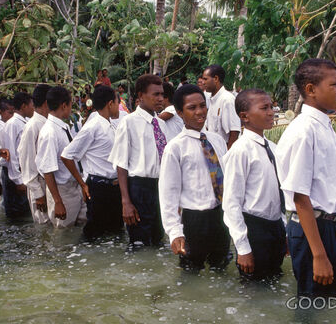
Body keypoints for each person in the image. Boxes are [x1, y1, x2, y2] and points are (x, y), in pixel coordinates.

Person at [275, 58, 336, 298]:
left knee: (329, 297)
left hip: (332, 226)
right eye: (334, 84)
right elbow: (300, 198)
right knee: (313, 301)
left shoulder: (322, 124)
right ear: (311, 90)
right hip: (317, 229)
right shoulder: (304, 130)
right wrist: (319, 255)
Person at [159, 85, 231, 272]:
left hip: (220, 216)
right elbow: (168, 193)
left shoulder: (217, 141)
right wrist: (174, 232)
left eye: (202, 106)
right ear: (179, 112)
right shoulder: (175, 148)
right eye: (192, 108)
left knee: (221, 267)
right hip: (193, 220)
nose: (199, 112)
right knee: (191, 271)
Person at [222, 89, 286, 280]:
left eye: (271, 107)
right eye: (264, 108)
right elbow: (232, 203)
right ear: (245, 116)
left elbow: (278, 194)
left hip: (275, 226)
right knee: (254, 285)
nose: (271, 112)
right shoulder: (240, 151)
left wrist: (284, 230)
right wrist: (243, 248)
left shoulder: (272, 148)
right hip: (254, 228)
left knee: (274, 277)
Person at [108, 74, 170, 247]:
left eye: (162, 95)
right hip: (139, 188)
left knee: (158, 238)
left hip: (160, 187)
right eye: (155, 94)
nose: (160, 99)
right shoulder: (129, 122)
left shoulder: (161, 124)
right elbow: (121, 164)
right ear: (141, 96)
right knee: (140, 242)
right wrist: (126, 201)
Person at [61, 85, 123, 240]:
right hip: (99, 187)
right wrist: (82, 183)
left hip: (114, 186)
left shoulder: (109, 124)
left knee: (115, 232)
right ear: (110, 104)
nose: (119, 107)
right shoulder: (92, 127)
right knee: (95, 233)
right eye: (117, 103)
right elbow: (67, 155)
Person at [36, 87, 87, 228]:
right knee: (63, 234)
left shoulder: (62, 127)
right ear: (64, 105)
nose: (71, 108)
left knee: (77, 230)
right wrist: (58, 202)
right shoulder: (50, 132)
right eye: (71, 104)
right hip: (61, 190)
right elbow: (47, 170)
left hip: (73, 187)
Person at [17, 85, 52, 224]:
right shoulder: (32, 126)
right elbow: (27, 161)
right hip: (39, 183)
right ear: (46, 103)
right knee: (44, 224)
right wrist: (38, 194)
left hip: (49, 183)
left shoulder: (46, 123)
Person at [0, 92, 34, 219]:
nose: (33, 108)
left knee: (24, 211)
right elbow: (11, 154)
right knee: (16, 212)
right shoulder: (13, 123)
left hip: (21, 172)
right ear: (24, 106)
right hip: (14, 173)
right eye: (32, 105)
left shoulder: (23, 122)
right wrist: (18, 180)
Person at [202, 65, 240, 149]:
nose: (203, 82)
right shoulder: (212, 100)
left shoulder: (227, 100)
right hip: (214, 152)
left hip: (224, 153)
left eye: (205, 79)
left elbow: (234, 132)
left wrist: (227, 158)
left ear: (216, 79)